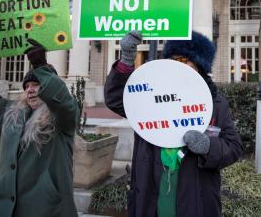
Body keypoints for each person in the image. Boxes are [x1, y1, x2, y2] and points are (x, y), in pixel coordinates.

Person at [104, 31, 243, 217]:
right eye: (173, 60)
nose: (178, 66)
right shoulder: (150, 97)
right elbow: (116, 100)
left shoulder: (215, 103)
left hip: (194, 201)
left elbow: (233, 147)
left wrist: (208, 146)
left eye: (185, 60)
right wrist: (127, 60)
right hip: (150, 198)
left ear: (199, 65)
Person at [0, 39, 79, 217]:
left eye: (36, 85)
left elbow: (64, 103)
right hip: (0, 209)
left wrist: (41, 66)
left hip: (45, 209)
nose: (31, 90)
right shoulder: (8, 113)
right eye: (27, 86)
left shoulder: (62, 119)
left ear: (49, 86)